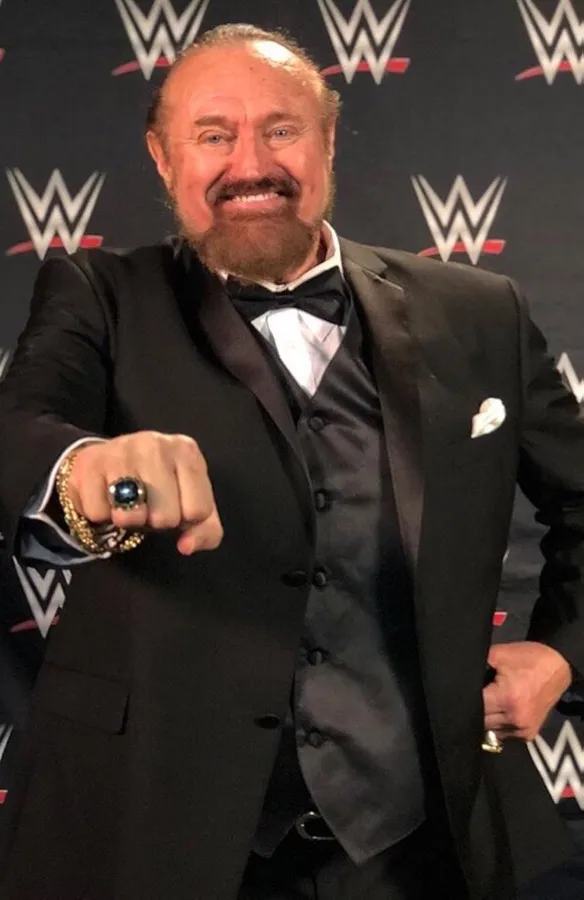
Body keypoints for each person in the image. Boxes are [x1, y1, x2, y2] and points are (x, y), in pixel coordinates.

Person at [0, 22, 582, 900]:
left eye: (281, 129)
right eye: (213, 134)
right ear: (162, 157)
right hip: (155, 825)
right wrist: (88, 470)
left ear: (328, 142)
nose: (251, 163)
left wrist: (562, 654)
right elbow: (21, 427)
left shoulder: (479, 310)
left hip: (417, 842)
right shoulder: (99, 296)